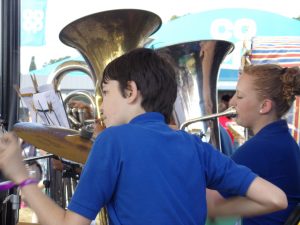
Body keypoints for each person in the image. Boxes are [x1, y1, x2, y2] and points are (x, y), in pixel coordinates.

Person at [0, 49, 287, 225]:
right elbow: (276, 199)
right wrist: (215, 210)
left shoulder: (113, 141)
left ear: (131, 91)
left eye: (106, 92)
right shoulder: (195, 146)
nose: (102, 103)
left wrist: (21, 176)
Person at [208, 64, 300, 224]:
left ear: (264, 106)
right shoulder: (281, 140)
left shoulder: (262, 147)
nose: (232, 101)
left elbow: (211, 204)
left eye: (240, 96)